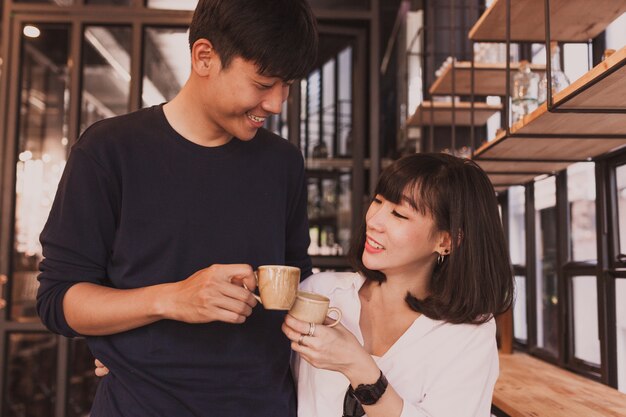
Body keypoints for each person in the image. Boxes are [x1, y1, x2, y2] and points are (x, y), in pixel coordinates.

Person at [36, 0, 318, 416]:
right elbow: (58, 300)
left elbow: (300, 281)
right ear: (204, 57)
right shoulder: (109, 151)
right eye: (262, 83)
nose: (277, 104)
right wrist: (172, 299)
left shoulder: (284, 163)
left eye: (287, 85)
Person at [282, 153, 514, 417]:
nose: (374, 221)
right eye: (378, 201)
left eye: (399, 214)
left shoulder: (466, 333)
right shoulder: (319, 293)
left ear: (446, 241)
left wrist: (358, 366)